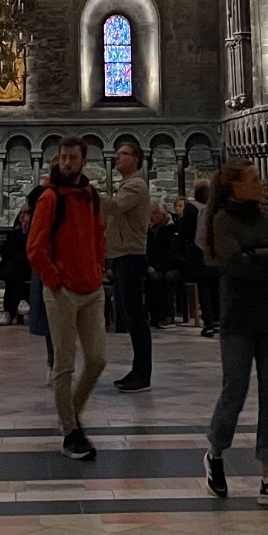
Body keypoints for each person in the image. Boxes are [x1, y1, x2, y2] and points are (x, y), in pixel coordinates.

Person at [203, 160, 268, 510]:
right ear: (235, 187)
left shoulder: (265, 219)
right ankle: (215, 452)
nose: (261, 183)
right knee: (235, 391)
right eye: (254, 179)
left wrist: (258, 256)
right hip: (238, 320)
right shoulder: (223, 220)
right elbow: (233, 264)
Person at [28, 138, 106, 460]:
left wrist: (98, 267)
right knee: (64, 364)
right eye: (63, 157)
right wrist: (55, 280)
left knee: (98, 359)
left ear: (83, 161)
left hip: (92, 289)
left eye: (73, 157)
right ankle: (71, 431)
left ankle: (70, 415)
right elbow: (35, 246)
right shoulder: (50, 197)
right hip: (63, 292)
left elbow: (98, 234)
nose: (67, 163)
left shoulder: (90, 196)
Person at [104, 140, 151, 392]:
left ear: (135, 159)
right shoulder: (127, 184)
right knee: (130, 316)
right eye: (116, 154)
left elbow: (115, 206)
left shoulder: (136, 185)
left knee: (136, 317)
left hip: (132, 255)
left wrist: (87, 194)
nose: (116, 157)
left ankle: (143, 373)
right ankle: (138, 369)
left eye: (122, 154)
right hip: (123, 254)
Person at [183, 181, 219, 336]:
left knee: (204, 288)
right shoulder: (215, 208)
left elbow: (185, 232)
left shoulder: (191, 209)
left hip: (198, 254)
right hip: (214, 253)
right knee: (214, 288)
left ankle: (209, 323)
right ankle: (217, 321)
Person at [25, 181, 54, 373]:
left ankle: (57, 364)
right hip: (46, 270)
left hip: (60, 269)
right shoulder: (45, 196)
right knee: (50, 320)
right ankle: (54, 363)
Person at [146, 203, 185, 327]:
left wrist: (156, 266)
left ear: (162, 215)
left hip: (174, 267)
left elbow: (170, 253)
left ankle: (168, 315)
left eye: (154, 214)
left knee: (167, 278)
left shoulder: (174, 229)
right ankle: (154, 315)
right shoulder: (152, 231)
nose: (152, 218)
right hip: (156, 267)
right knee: (151, 278)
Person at [0, 202, 32, 324]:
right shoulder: (14, 233)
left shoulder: (34, 234)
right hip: (12, 268)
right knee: (14, 268)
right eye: (21, 213)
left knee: (17, 268)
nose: (23, 216)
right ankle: (22, 299)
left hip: (27, 268)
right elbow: (5, 251)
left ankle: (8, 310)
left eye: (26, 213)